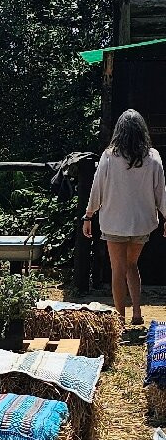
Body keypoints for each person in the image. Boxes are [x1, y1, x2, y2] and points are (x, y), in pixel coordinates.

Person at [84, 109, 166, 324]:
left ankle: (120, 319)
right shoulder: (153, 156)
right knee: (132, 265)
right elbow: (161, 192)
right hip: (141, 224)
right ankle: (137, 313)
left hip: (114, 222)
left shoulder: (110, 155)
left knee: (117, 270)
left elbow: (97, 187)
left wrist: (89, 214)